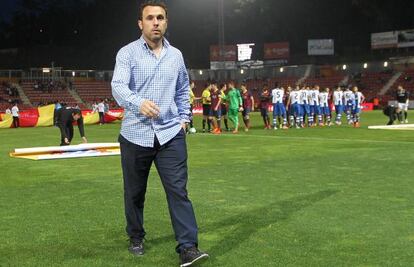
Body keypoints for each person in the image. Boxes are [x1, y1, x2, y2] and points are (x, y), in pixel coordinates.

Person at [111, 2, 208, 266]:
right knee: (134, 192)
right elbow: (117, 86)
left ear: (166, 22)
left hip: (170, 135)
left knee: (178, 191)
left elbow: (182, 89)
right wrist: (137, 102)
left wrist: (185, 120)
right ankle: (136, 236)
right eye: (150, 18)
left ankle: (188, 247)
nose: (156, 22)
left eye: (160, 18)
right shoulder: (127, 53)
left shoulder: (176, 55)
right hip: (135, 134)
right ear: (140, 23)